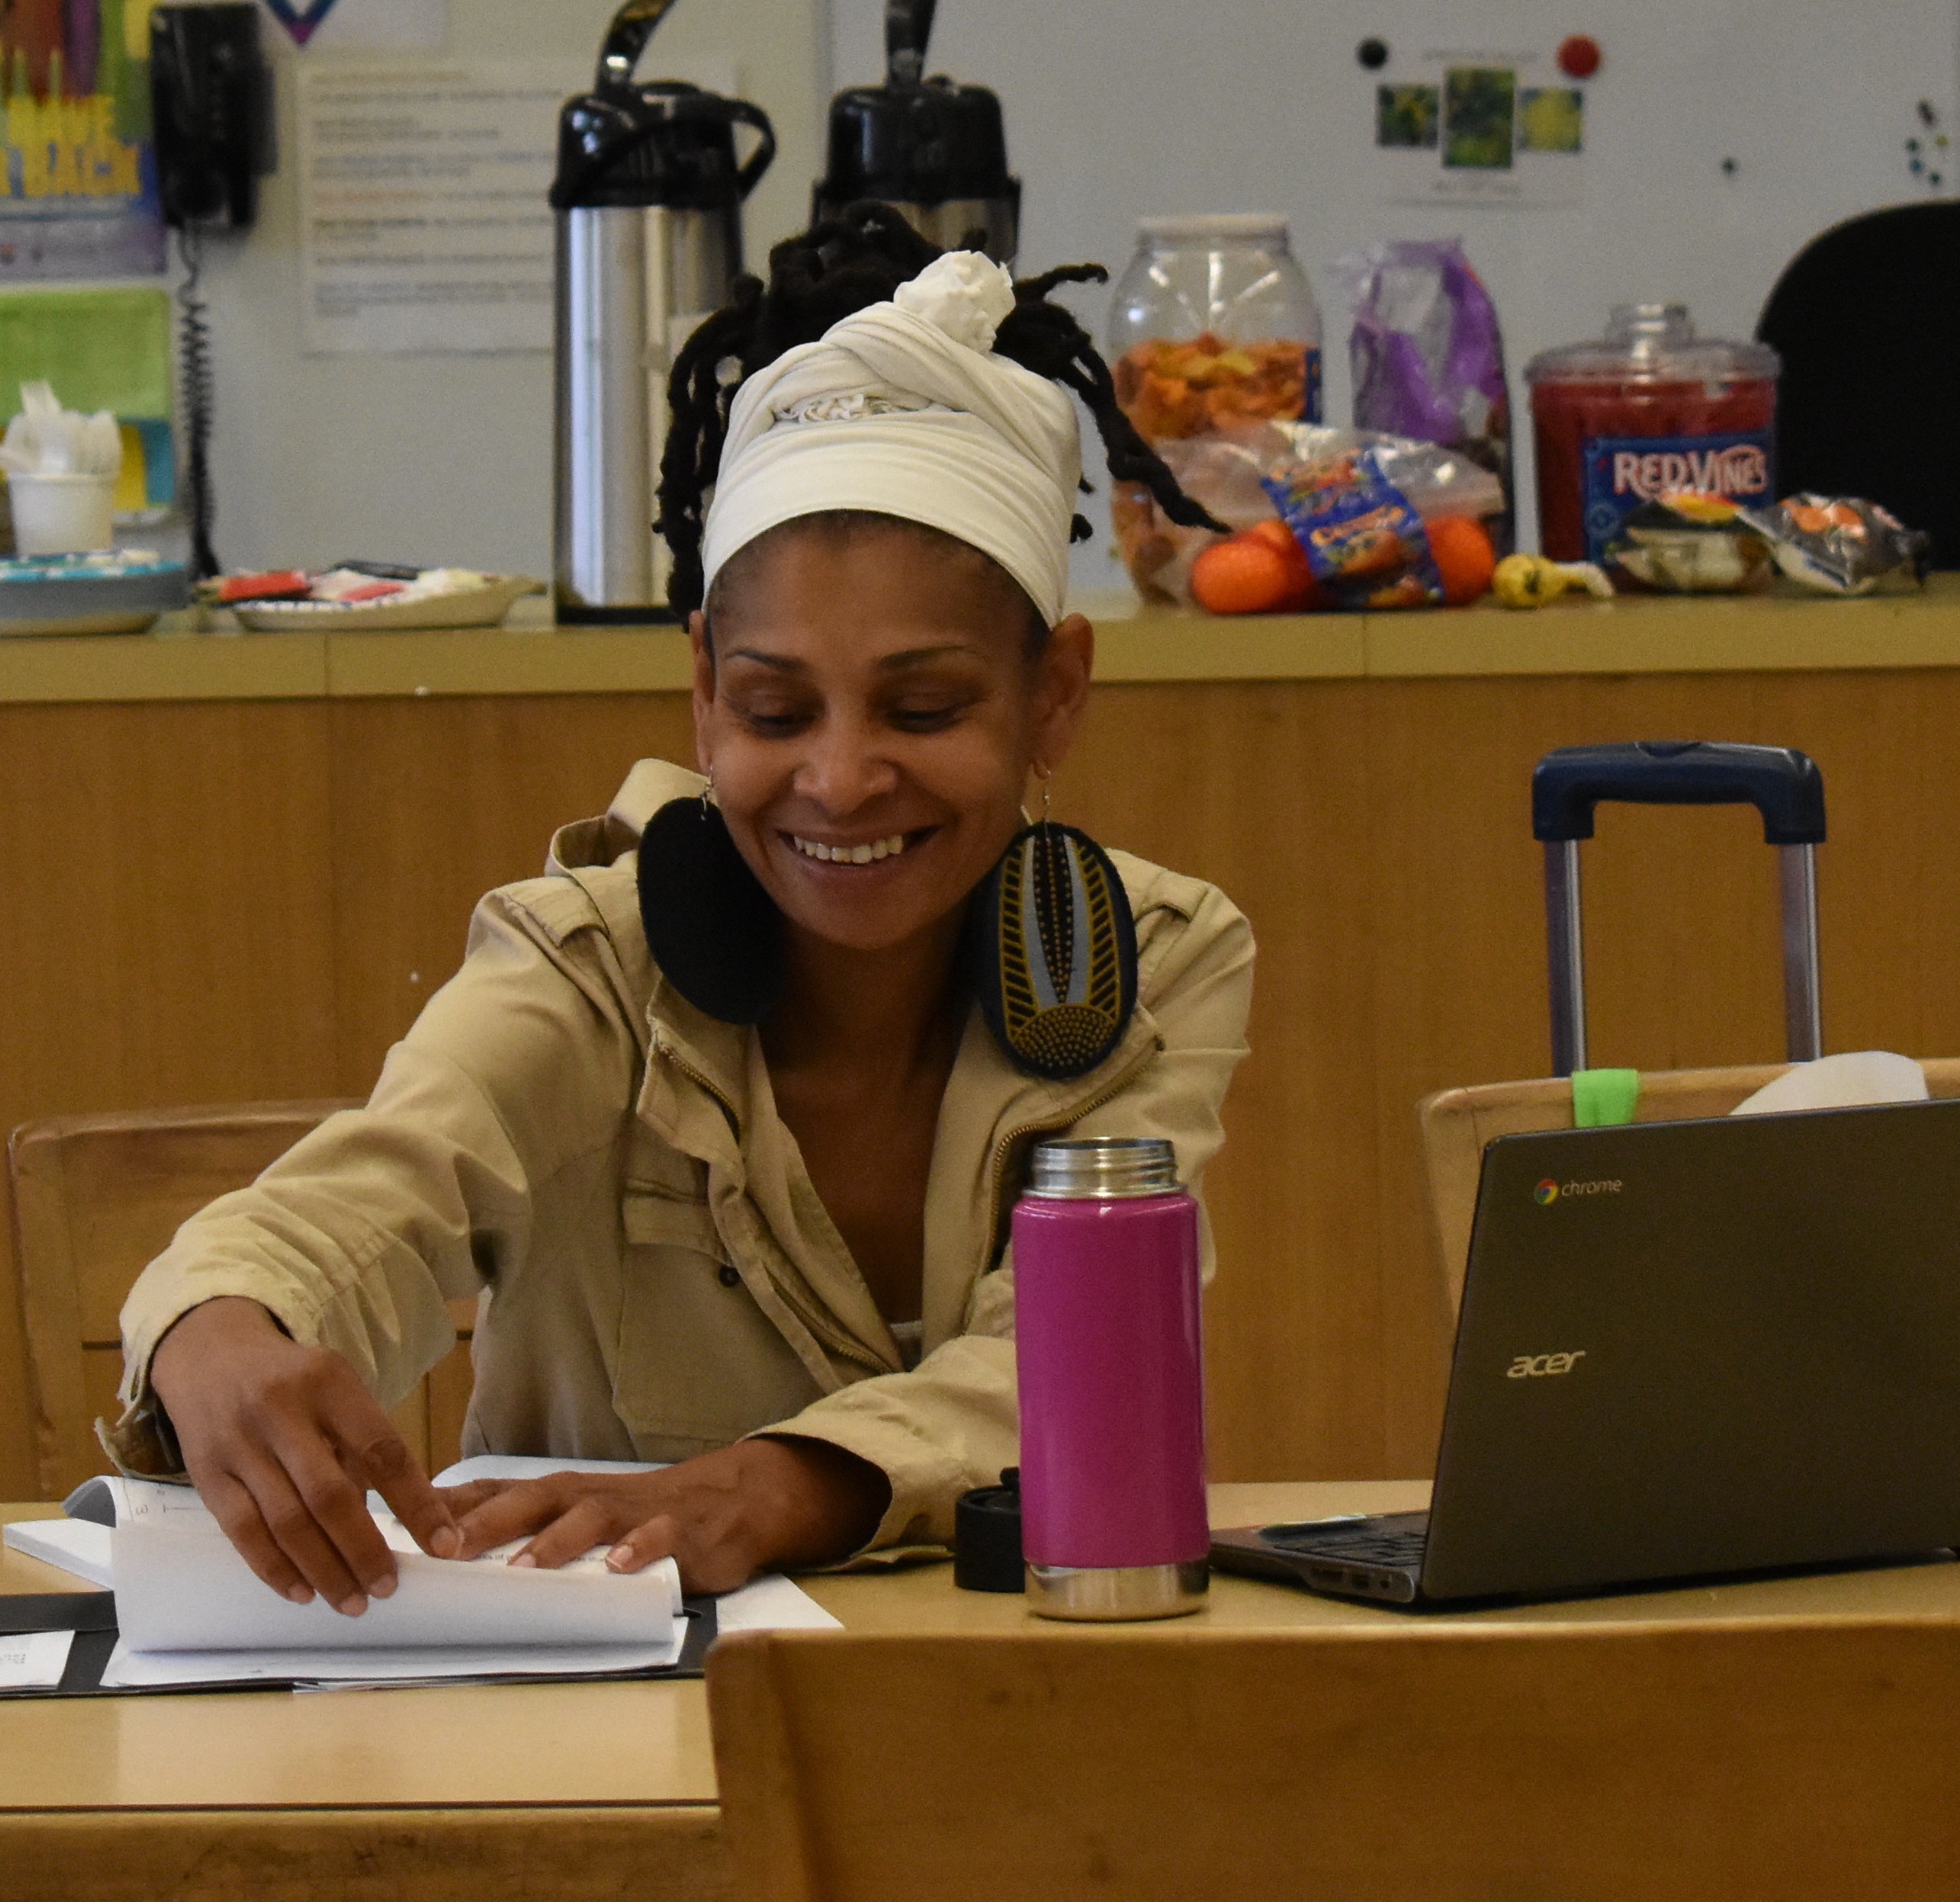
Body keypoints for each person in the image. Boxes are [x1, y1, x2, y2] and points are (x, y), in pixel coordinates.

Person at [112, 206, 1254, 1613]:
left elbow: (1077, 1373)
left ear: (1056, 692)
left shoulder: (1151, 961)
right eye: (776, 708)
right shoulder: (589, 961)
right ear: (705, 688)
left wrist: (775, 1483)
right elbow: (366, 1198)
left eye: (926, 706)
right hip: (602, 1734)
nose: (840, 777)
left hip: (1008, 1705)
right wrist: (219, 1328)